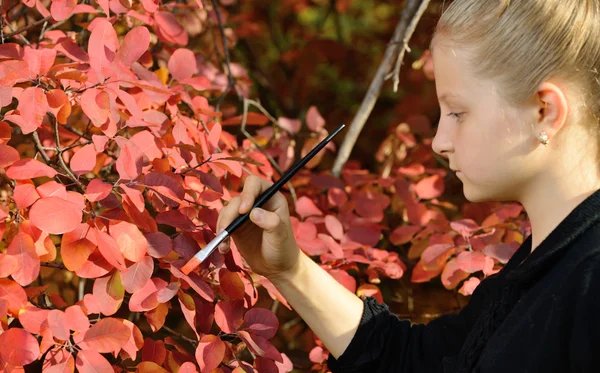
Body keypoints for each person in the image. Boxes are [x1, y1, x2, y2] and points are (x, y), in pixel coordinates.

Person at [215, 0, 600, 371]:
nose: (439, 141)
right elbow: (414, 361)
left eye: (457, 112)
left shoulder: (588, 282)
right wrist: (289, 269)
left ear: (543, 111)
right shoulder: (537, 268)